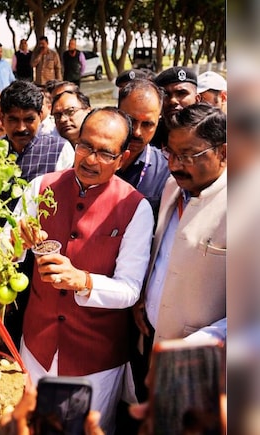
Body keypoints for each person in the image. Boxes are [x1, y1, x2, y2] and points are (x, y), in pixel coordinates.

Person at [16, 107, 154, 432]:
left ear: (122, 158)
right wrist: (15, 244)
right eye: (86, 146)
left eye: (105, 153)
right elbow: (5, 257)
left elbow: (130, 289)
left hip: (96, 361)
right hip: (37, 349)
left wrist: (82, 280)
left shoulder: (136, 209)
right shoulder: (39, 187)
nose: (91, 160)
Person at [132, 103, 226, 354]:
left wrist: (191, 347)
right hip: (150, 339)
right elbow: (163, 256)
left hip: (200, 363)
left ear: (224, 153)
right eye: (170, 153)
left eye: (186, 156)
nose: (173, 165)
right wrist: (145, 299)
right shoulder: (173, 188)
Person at [116, 79, 171, 219]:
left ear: (158, 121)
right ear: (118, 112)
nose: (137, 132)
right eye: (131, 120)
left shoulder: (166, 173)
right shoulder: (93, 158)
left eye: (147, 124)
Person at [0, 80, 74, 182]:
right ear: (2, 118)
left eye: (29, 119)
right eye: (13, 120)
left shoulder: (59, 149)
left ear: (40, 116)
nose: (21, 128)